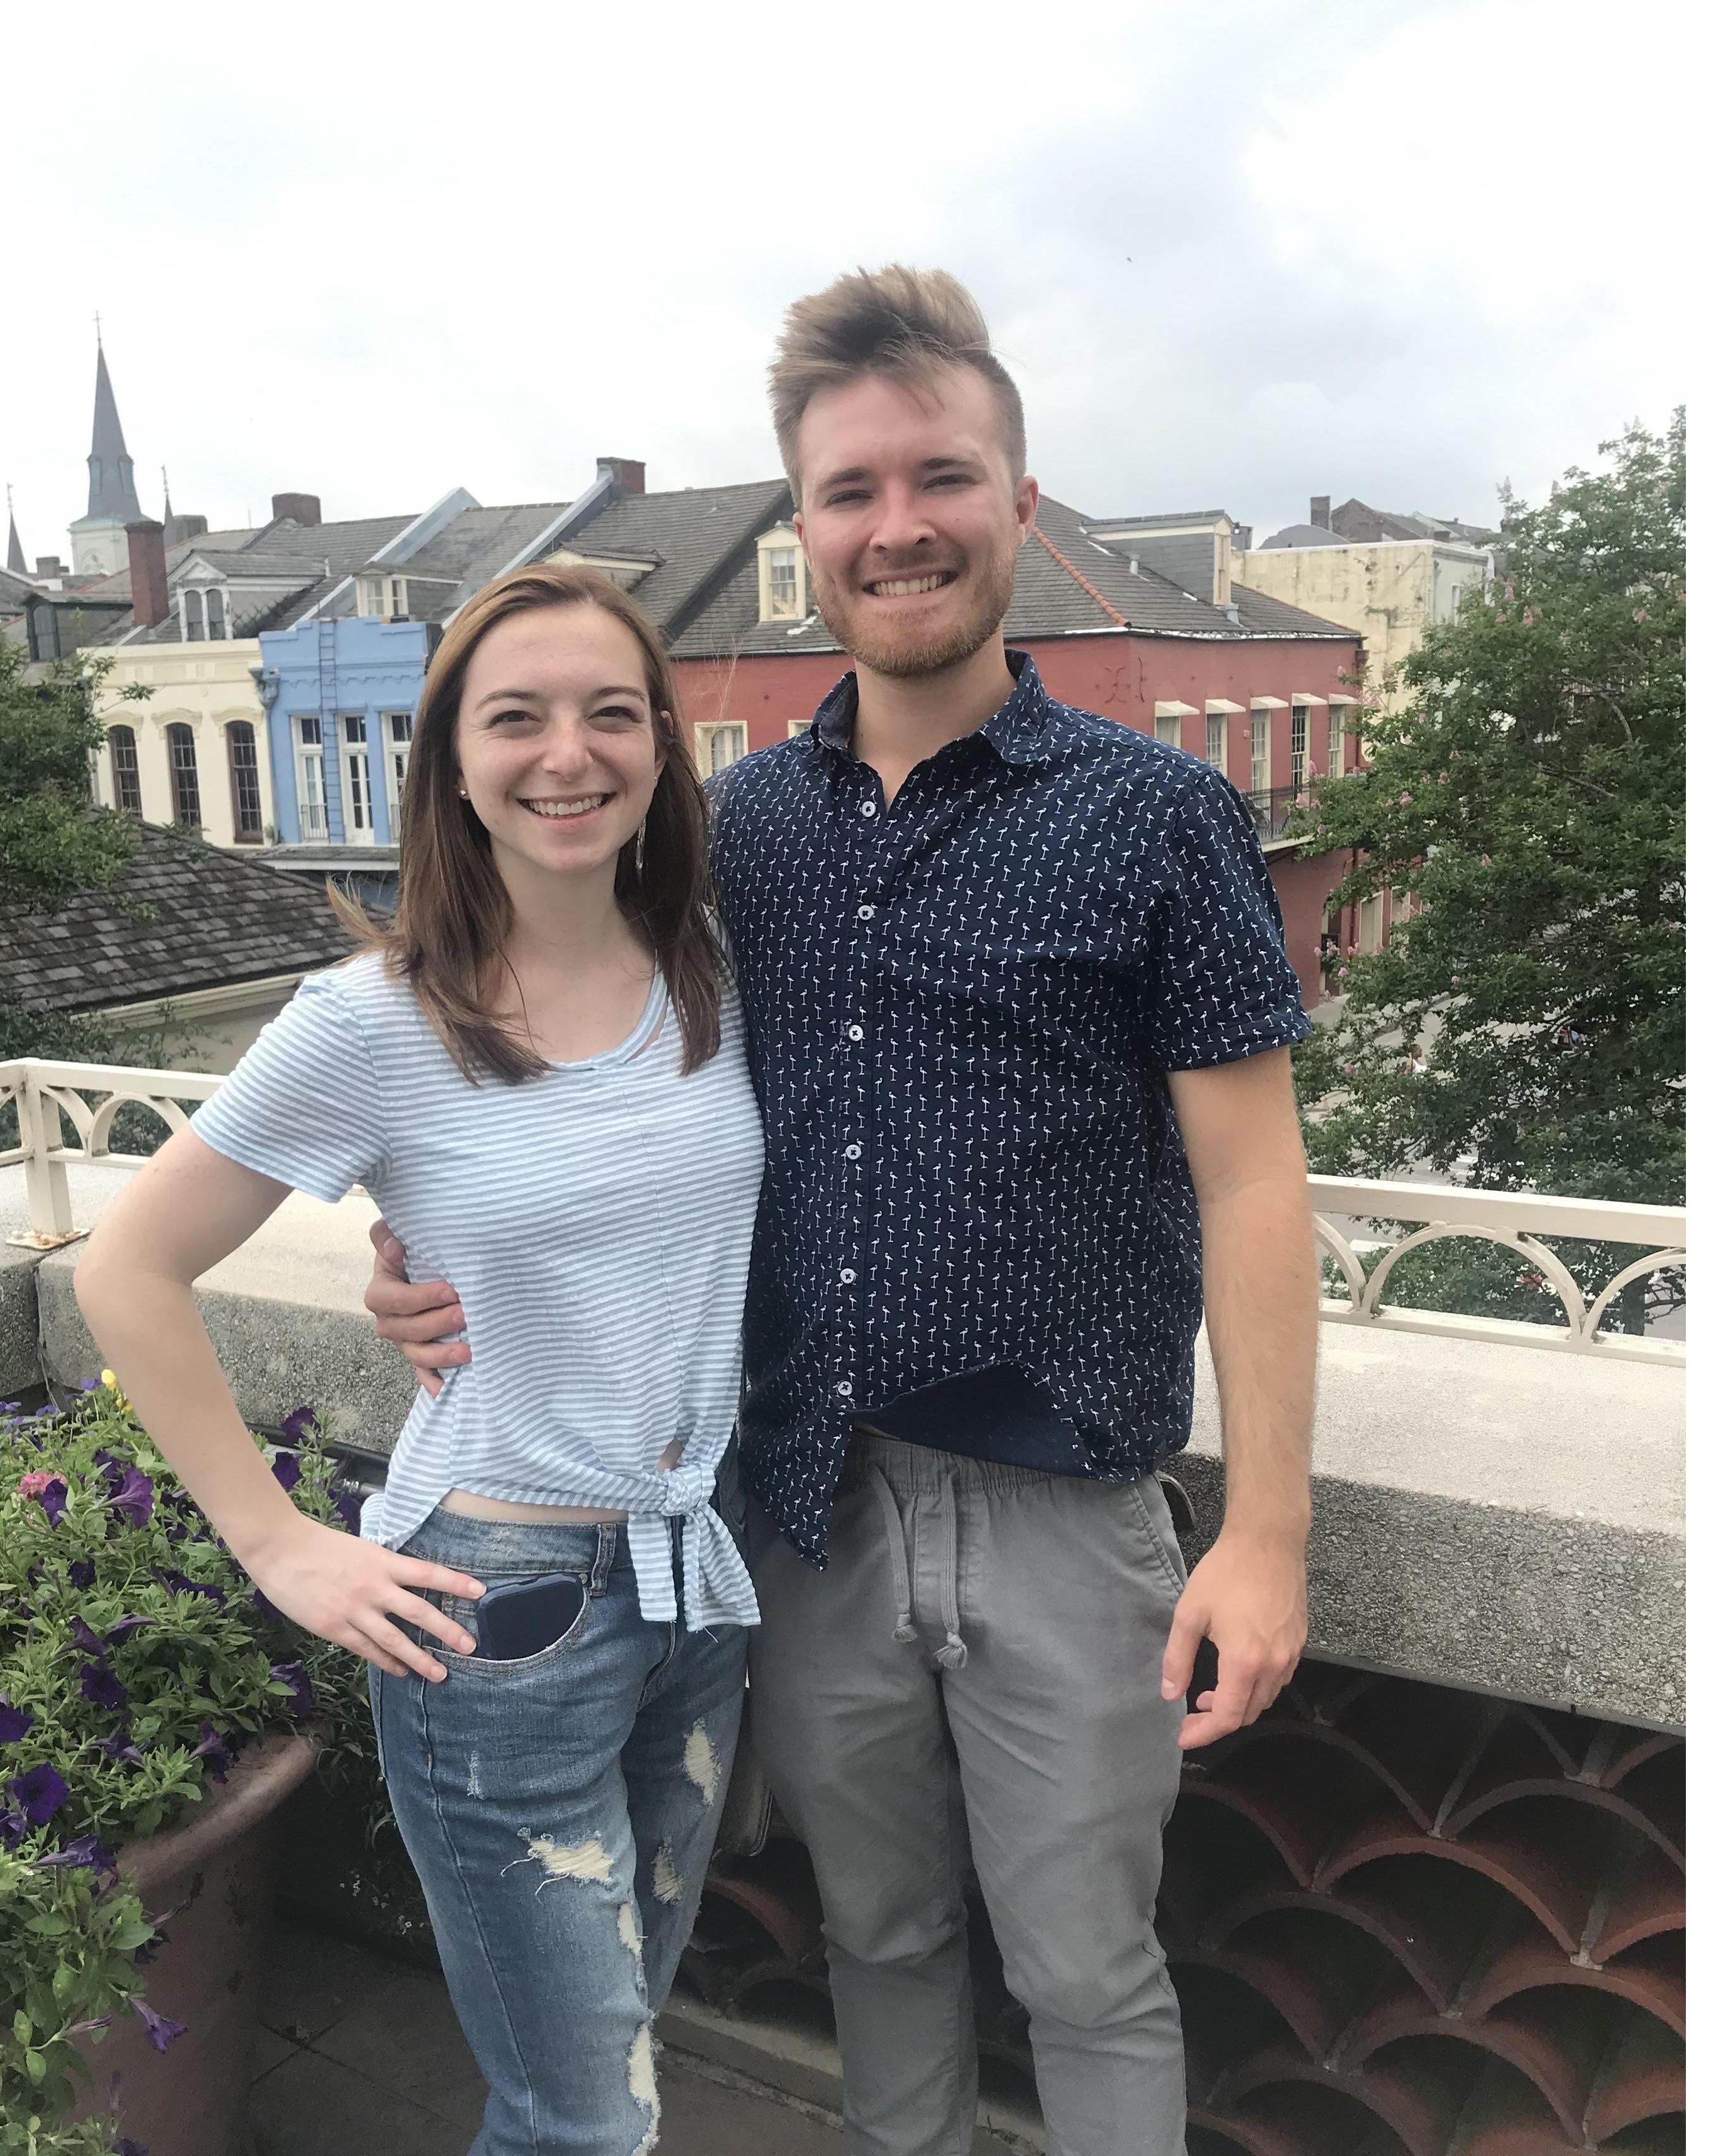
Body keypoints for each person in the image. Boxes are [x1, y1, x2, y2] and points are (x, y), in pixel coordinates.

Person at [368, 268, 1318, 2156]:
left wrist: (1272, 1528)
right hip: (801, 1501)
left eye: (938, 476)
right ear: (799, 534)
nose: (898, 525)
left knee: (1085, 1967)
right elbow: (579, 1067)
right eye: (850, 490)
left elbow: (1251, 1176)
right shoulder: (731, 835)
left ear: (1015, 504)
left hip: (1067, 1512)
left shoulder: (1155, 814)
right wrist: (431, 1243)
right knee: (875, 1934)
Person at [74, 564, 765, 2156]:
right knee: (579, 2117)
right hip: (497, 1613)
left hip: (692, 1593)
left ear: (660, 746)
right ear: (450, 760)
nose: (565, 753)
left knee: (612, 2065)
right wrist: (279, 1542)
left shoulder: (709, 972)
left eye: (608, 712)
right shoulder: (372, 1019)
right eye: (512, 716)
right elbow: (128, 1268)